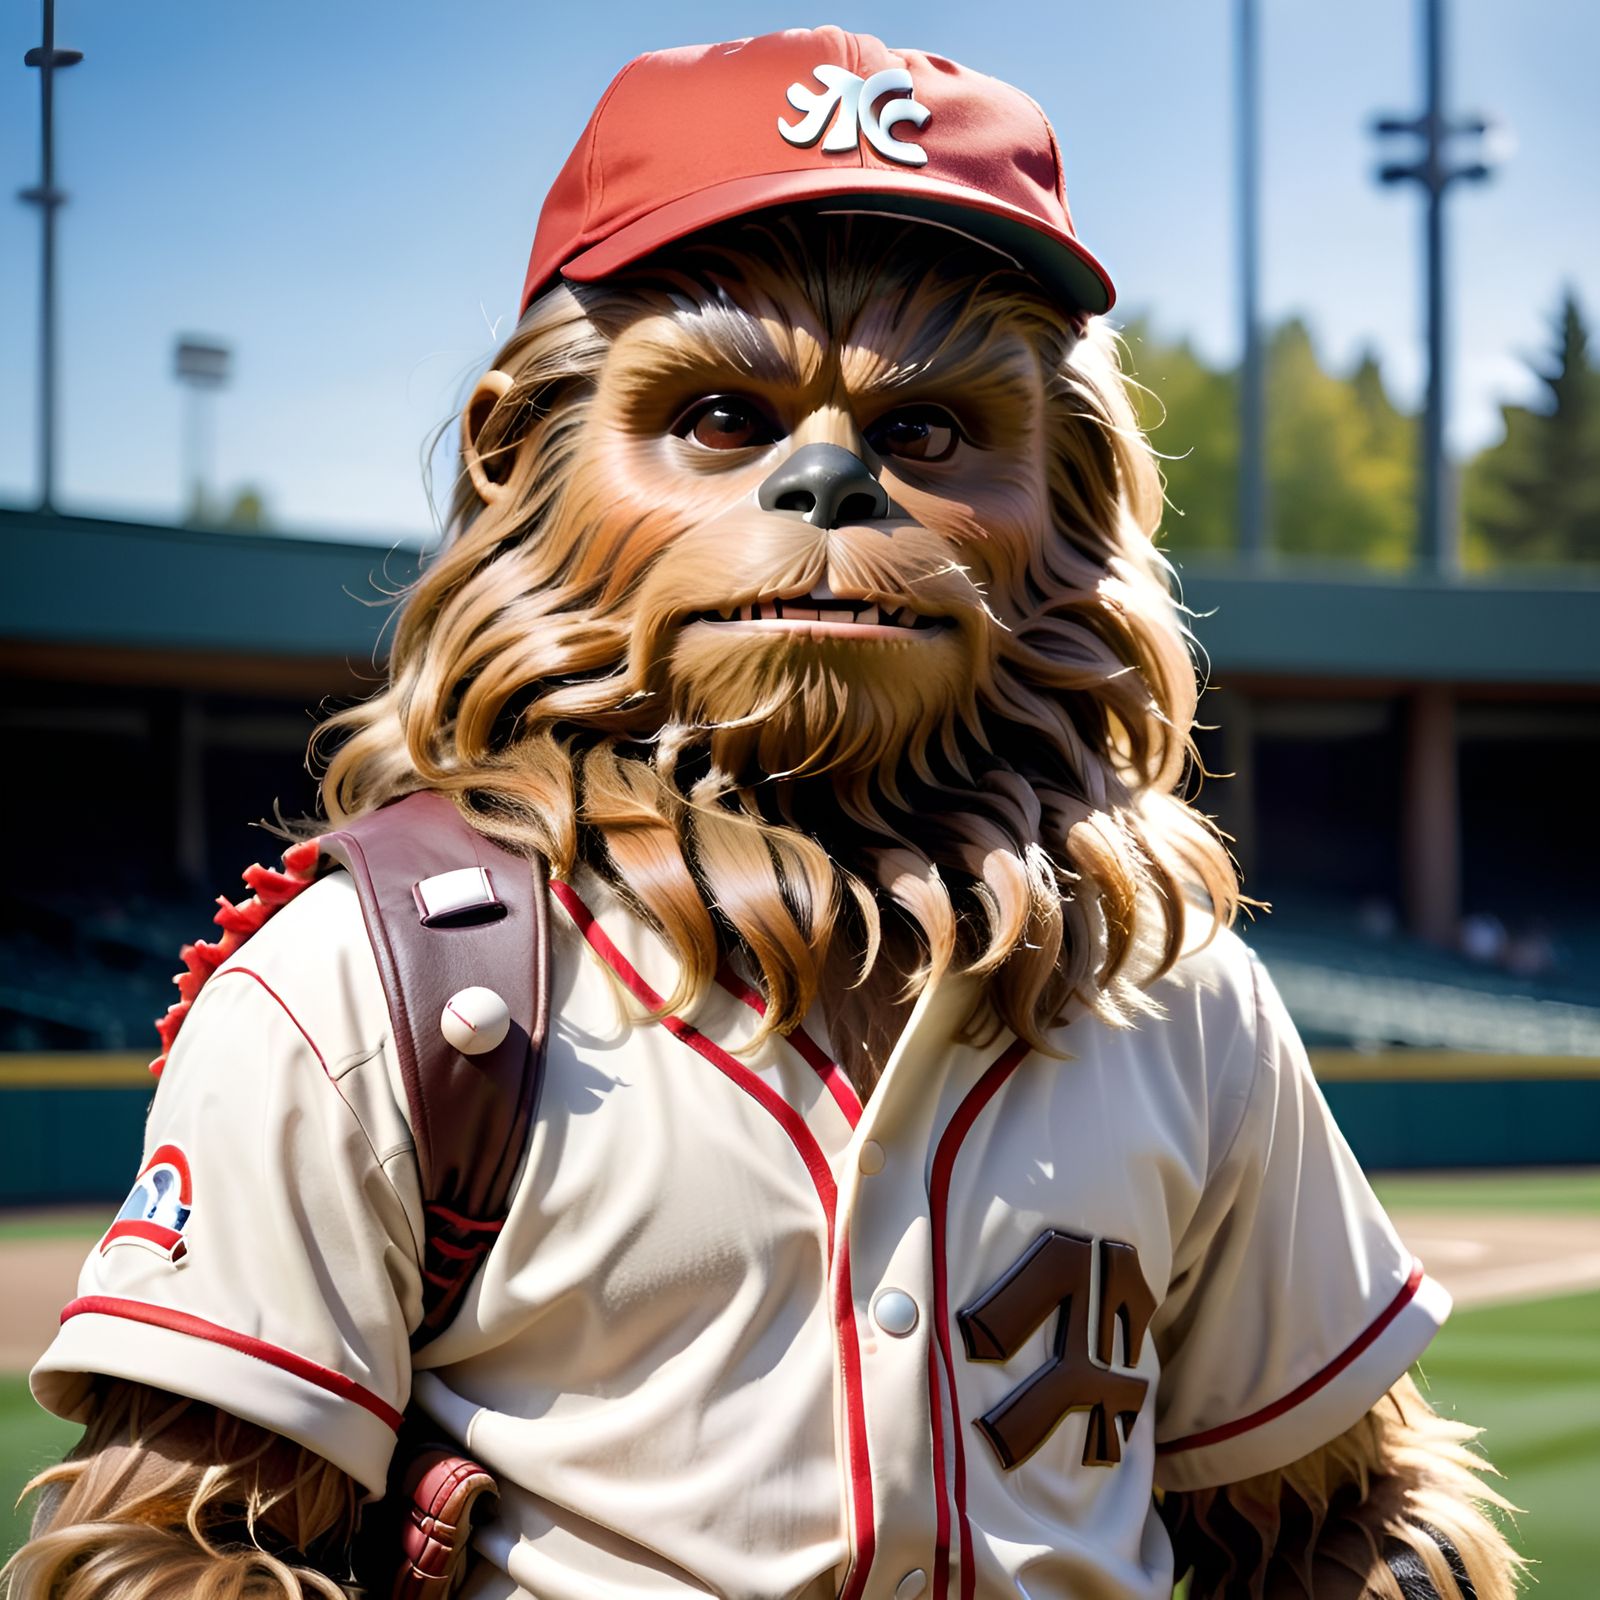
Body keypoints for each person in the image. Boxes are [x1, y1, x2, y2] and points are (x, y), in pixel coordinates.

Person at [8, 27, 1519, 1600]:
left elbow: (1347, 1529)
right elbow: (180, 1561)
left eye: (927, 432)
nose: (828, 486)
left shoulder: (1178, 993)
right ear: (523, 458)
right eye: (722, 418)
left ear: (1073, 490)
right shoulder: (375, 987)